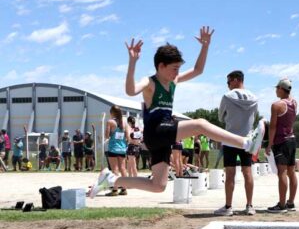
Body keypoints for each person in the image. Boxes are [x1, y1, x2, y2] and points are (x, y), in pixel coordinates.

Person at [89, 27, 265, 198]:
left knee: (158, 186)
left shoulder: (173, 81)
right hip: (156, 131)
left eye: (179, 68)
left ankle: (111, 180)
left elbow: (198, 70)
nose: (177, 72)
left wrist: (205, 46)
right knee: (200, 124)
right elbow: (130, 90)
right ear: (161, 66)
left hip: (163, 135)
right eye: (174, 68)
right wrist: (132, 63)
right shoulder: (150, 82)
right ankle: (246, 143)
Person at [214, 70, 259, 217]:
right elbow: (254, 117)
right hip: (247, 140)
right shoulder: (254, 98)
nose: (228, 85)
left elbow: (220, 117)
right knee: (248, 173)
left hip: (230, 139)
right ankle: (250, 205)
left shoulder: (227, 97)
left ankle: (228, 207)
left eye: (228, 82)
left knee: (230, 174)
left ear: (235, 80)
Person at [265, 78, 297, 213]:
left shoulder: (276, 105)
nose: (275, 90)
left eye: (276, 88)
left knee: (282, 173)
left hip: (281, 141)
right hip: (292, 139)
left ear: (281, 89)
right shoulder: (294, 102)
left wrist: (269, 145)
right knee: (292, 172)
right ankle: (291, 202)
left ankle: (282, 204)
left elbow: (272, 127)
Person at [105, 105, 128, 195]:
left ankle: (115, 189)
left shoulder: (110, 122)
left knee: (114, 169)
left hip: (113, 148)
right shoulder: (124, 122)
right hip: (122, 148)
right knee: (123, 169)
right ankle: (124, 188)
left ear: (112, 113)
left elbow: (107, 135)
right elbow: (127, 136)